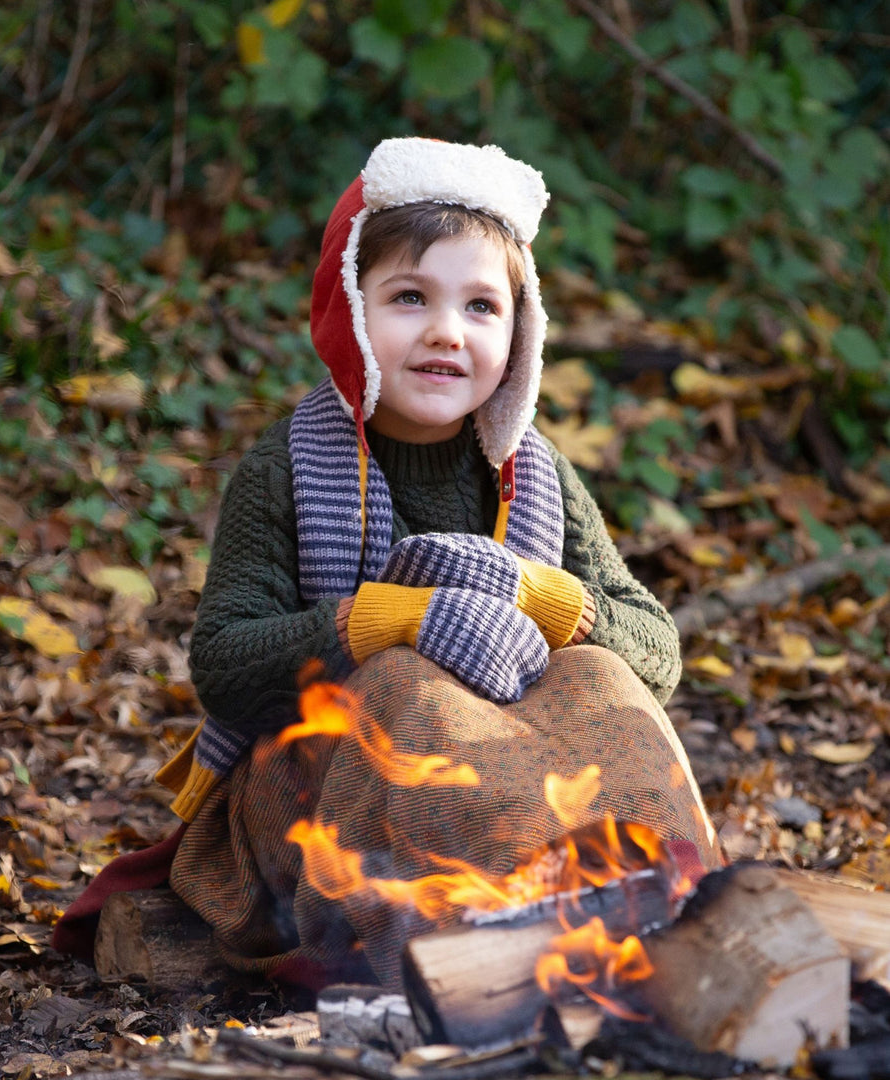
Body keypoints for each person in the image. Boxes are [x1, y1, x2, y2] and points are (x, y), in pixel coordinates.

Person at [59, 137, 722, 989]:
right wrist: (384, 623)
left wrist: (541, 598)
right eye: (410, 298)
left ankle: (668, 910)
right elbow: (224, 664)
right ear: (351, 311)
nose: (447, 332)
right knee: (408, 685)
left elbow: (655, 652)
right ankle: (470, 949)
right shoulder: (291, 466)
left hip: (522, 779)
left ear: (521, 334)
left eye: (482, 307)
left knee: (598, 675)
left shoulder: (538, 472)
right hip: (317, 798)